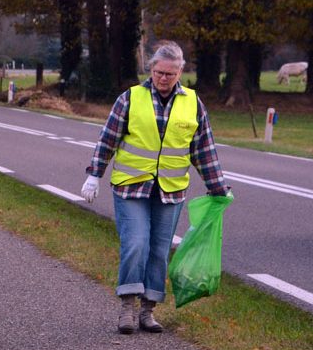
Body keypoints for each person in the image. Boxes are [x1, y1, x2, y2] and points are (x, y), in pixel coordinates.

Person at [80, 41, 230, 334]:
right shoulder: (129, 99)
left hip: (170, 191)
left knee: (160, 251)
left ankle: (148, 310)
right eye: (160, 72)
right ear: (151, 69)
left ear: (180, 72)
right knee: (136, 243)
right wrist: (94, 174)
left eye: (171, 74)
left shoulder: (193, 104)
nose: (164, 78)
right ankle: (127, 307)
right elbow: (107, 139)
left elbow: (204, 150)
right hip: (131, 187)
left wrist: (217, 187)